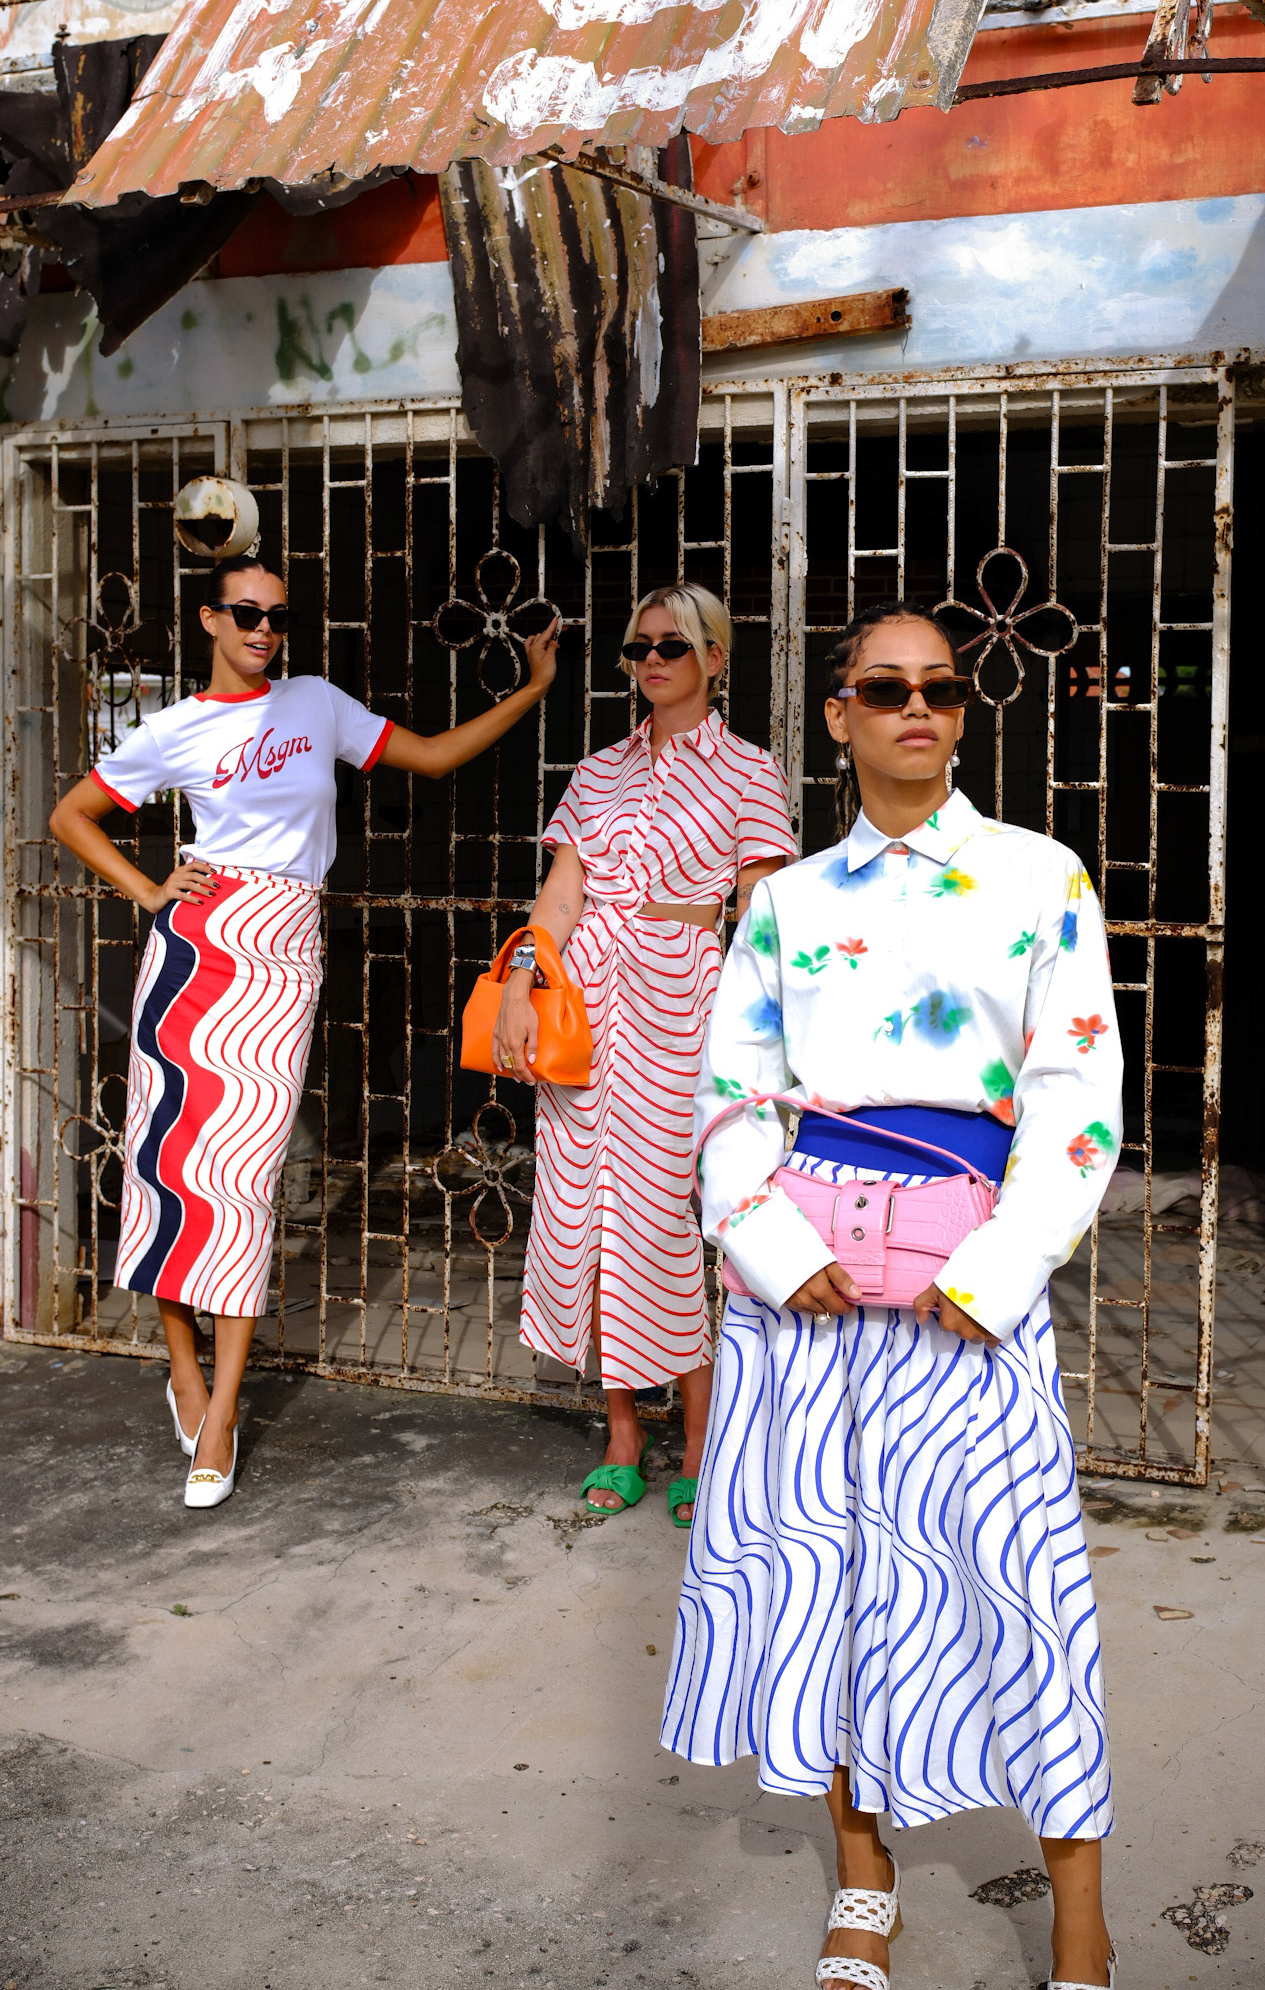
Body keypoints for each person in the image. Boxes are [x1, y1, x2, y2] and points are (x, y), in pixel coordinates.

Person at [661, 601, 1123, 1990]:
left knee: (1023, 1590)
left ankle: (1083, 1921)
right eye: (885, 686)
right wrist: (763, 1242)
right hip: (803, 1297)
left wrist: (1003, 1264)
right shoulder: (787, 902)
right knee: (831, 1580)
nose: (916, 706)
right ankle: (862, 1877)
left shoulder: (1040, 875)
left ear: (961, 713)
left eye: (941, 686)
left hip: (969, 1291)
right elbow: (731, 1094)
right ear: (838, 715)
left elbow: (1076, 1094)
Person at [50, 556, 557, 1508]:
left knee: (243, 1185)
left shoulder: (316, 703)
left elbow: (433, 757)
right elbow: (71, 815)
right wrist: (150, 891)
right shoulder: (174, 727)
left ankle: (225, 1410)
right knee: (170, 1171)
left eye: (278, 617)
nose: (264, 630)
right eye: (246, 613)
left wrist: (532, 688)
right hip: (195, 954)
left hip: (283, 953)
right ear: (210, 618)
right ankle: (186, 1375)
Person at [494, 584, 797, 1524]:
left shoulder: (749, 771)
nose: (652, 660)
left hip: (683, 1011)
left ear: (715, 657)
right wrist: (518, 983)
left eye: (673, 644)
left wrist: (756, 1033)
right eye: (638, 647)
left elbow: (762, 913)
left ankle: (702, 1442)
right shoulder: (597, 772)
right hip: (585, 1013)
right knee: (586, 1216)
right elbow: (560, 898)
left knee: (667, 1221)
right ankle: (622, 1434)